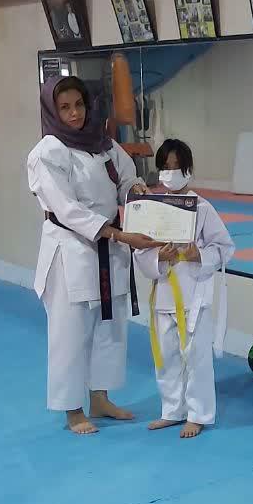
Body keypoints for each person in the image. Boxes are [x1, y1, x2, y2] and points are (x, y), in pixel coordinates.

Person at [27, 76, 161, 435]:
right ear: (52, 111)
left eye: (79, 105)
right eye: (65, 107)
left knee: (109, 327)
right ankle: (72, 409)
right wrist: (118, 233)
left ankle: (99, 398)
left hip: (110, 248)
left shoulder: (104, 145)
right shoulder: (47, 153)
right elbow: (67, 209)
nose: (74, 114)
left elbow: (125, 179)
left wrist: (137, 192)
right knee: (71, 333)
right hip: (71, 249)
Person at [134, 139, 235, 438]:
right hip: (163, 291)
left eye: (176, 167)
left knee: (196, 357)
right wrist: (158, 257)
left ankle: (198, 414)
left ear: (188, 171)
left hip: (194, 294)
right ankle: (172, 411)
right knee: (166, 356)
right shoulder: (153, 208)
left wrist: (198, 255)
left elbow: (225, 248)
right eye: (165, 167)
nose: (170, 173)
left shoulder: (202, 208)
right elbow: (140, 251)